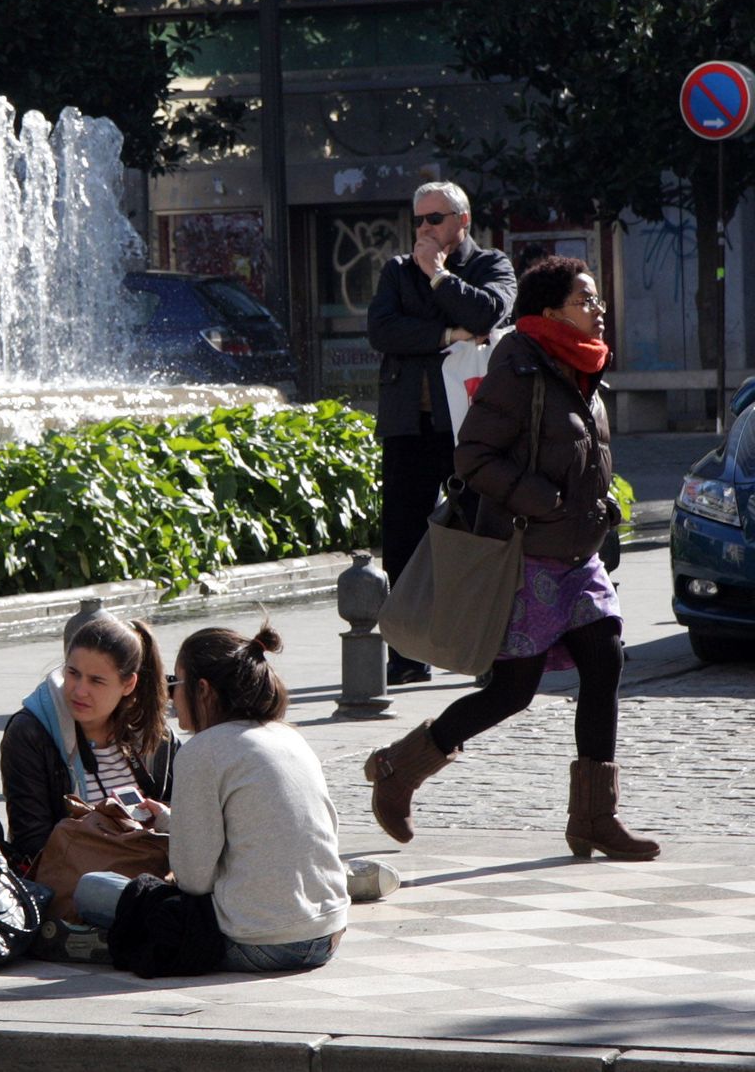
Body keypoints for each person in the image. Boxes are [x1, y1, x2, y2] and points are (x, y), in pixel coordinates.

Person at [363, 256, 659, 862]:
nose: (598, 309)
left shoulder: (583, 367)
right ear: (549, 312)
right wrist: (544, 501)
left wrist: (601, 505)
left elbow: (578, 452)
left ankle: (595, 819)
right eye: (586, 300)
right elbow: (471, 457)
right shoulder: (520, 364)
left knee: (605, 661)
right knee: (511, 691)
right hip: (527, 556)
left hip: (577, 555)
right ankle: (399, 769)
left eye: (597, 300)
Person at [70, 624, 350, 978]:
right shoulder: (289, 737)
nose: (171, 696)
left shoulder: (202, 751)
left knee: (93, 888)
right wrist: (174, 820)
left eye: (177, 683)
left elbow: (193, 882)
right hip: (328, 933)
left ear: (202, 690)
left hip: (259, 943)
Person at [369, 181, 517, 685]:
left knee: (479, 539)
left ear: (462, 220)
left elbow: (488, 313)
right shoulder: (395, 270)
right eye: (419, 220)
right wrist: (448, 334)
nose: (425, 229)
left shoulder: (491, 265)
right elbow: (382, 331)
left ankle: (483, 649)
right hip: (410, 425)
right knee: (404, 541)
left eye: (435, 218)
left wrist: (438, 276)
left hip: (472, 431)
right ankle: (408, 655)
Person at [0, 615, 179, 867]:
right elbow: (32, 843)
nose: (79, 690)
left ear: (128, 684)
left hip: (153, 878)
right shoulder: (30, 733)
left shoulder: (154, 734)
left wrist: (163, 819)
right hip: (73, 890)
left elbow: (189, 821)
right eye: (73, 673)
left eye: (96, 680)